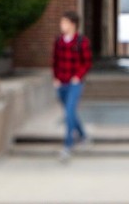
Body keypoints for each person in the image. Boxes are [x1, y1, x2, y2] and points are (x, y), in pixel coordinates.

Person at [52, 10, 92, 162]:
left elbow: (87, 62)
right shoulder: (58, 42)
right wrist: (55, 78)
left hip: (75, 83)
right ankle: (83, 136)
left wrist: (78, 77)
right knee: (70, 113)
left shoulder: (82, 42)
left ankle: (68, 145)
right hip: (61, 82)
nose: (62, 25)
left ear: (72, 24)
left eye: (64, 23)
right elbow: (54, 61)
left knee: (69, 112)